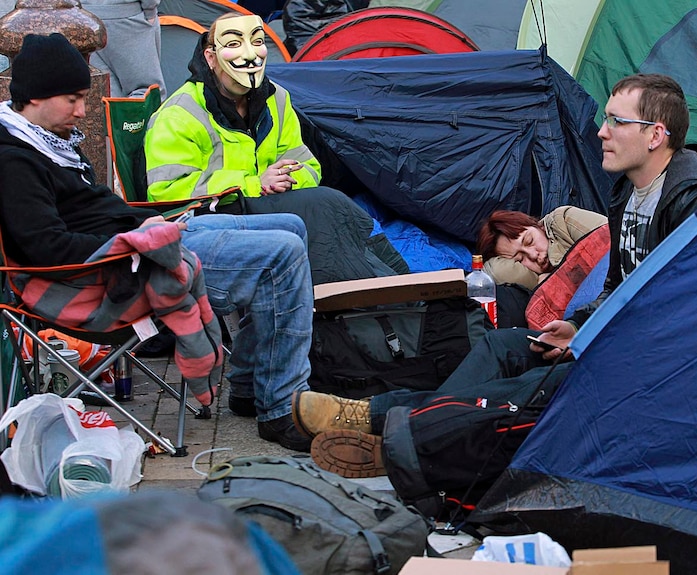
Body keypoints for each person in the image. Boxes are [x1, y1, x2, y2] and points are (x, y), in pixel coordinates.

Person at [293, 72, 697, 477]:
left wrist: (604, 344)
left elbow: (695, 313)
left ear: (655, 135)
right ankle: (402, 431)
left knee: (528, 386)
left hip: (649, 365)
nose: (601, 131)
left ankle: (384, 428)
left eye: (617, 121)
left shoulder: (692, 204)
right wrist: (577, 325)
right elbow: (619, 286)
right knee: (504, 344)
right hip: (615, 343)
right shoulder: (628, 193)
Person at [0, 33, 314, 451]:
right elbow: (48, 248)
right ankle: (278, 407)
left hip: (142, 237)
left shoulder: (50, 144)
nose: (82, 110)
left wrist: (156, 224)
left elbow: (90, 213)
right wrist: (138, 240)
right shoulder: (14, 161)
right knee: (282, 254)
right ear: (37, 96)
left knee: (291, 225)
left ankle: (249, 383)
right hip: (113, 270)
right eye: (73, 99)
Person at [144, 12, 406, 284]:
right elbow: (167, 192)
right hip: (212, 217)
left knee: (331, 206)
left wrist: (286, 180)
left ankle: (395, 288)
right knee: (324, 206)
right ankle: (358, 299)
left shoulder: (277, 99)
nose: (249, 54)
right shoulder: (179, 114)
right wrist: (254, 184)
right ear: (210, 58)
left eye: (257, 42)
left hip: (271, 204)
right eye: (233, 44)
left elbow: (308, 165)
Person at [475, 206, 608, 289]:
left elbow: (616, 243)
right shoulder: (532, 279)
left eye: (529, 240)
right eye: (520, 259)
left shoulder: (562, 221)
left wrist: (555, 280)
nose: (533, 255)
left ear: (536, 225)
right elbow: (494, 271)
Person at [82, 0, 167, 99]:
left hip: (85, 20)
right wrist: (150, 12)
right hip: (129, 18)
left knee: (104, 93)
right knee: (145, 91)